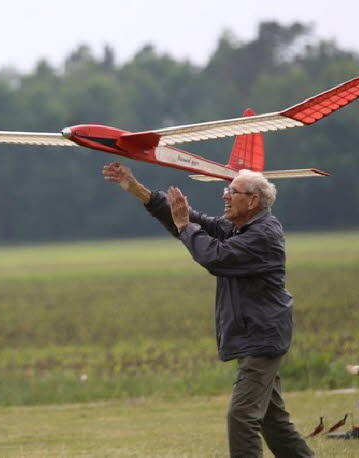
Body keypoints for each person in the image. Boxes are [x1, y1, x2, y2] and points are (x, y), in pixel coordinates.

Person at [102, 162, 314, 458]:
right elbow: (194, 221)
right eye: (226, 190)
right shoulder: (238, 226)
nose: (225, 196)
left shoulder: (262, 235)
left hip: (262, 337)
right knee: (272, 420)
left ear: (253, 200)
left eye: (232, 191)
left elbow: (214, 256)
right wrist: (138, 190)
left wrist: (184, 227)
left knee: (241, 417)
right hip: (255, 335)